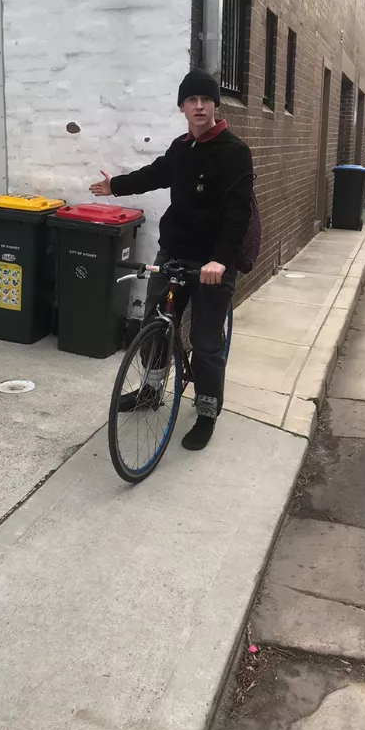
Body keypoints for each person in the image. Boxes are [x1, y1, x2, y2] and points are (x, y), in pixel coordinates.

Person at [89, 69, 253, 451]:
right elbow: (155, 175)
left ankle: (208, 410)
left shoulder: (234, 152)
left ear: (215, 105)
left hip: (213, 264)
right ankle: (151, 391)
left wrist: (221, 261)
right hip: (174, 254)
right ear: (182, 107)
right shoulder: (181, 148)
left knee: (205, 340)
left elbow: (238, 215)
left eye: (205, 100)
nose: (199, 106)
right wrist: (116, 186)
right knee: (155, 324)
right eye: (191, 100)